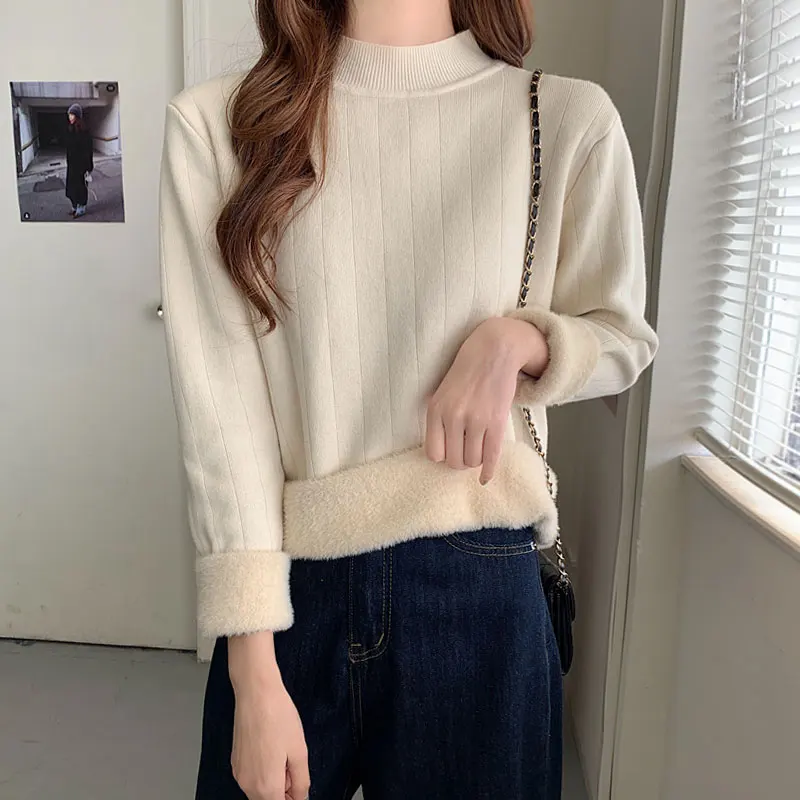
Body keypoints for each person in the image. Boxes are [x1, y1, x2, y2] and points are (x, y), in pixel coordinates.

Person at [159, 1, 658, 798]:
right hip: (288, 591)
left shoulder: (561, 118)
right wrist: (253, 669)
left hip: (480, 581)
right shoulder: (222, 127)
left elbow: (621, 335)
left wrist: (519, 342)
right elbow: (223, 415)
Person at [65, 103, 93, 218]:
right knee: (71, 187)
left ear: (77, 116)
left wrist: (88, 167)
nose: (70, 117)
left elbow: (88, 150)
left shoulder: (84, 131)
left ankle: (81, 207)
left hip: (81, 166)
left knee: (80, 187)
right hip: (72, 165)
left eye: (72, 114)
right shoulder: (70, 129)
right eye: (69, 115)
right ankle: (74, 205)